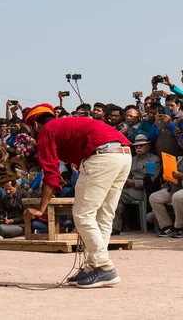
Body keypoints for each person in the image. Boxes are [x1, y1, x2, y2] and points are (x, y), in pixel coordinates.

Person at [23, 103, 131, 288]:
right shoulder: (63, 125)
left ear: (34, 125)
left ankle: (105, 267)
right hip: (124, 154)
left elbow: (51, 173)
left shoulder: (46, 131)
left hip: (101, 157)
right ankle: (93, 268)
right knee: (103, 217)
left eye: (28, 130)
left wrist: (41, 208)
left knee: (83, 215)